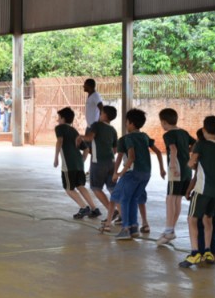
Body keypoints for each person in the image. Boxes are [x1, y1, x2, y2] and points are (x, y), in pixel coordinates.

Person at [179, 116, 215, 268]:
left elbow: (191, 163)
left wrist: (194, 165)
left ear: (204, 130)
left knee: (192, 219)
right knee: (208, 220)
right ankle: (207, 250)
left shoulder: (201, 144)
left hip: (201, 190)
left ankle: (195, 253)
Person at [111, 109, 156, 240]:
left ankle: (125, 229)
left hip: (133, 173)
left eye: (126, 122)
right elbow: (158, 152)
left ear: (130, 123)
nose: (125, 124)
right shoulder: (145, 136)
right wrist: (162, 169)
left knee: (124, 199)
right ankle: (134, 228)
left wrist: (119, 173)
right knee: (134, 199)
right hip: (146, 174)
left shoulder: (128, 138)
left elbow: (131, 157)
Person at [156, 108, 196, 246]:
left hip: (177, 169)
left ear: (164, 122)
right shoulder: (184, 132)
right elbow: (196, 144)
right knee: (177, 199)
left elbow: (173, 149)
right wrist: (187, 151)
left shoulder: (168, 135)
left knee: (170, 199)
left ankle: (169, 229)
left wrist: (172, 165)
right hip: (187, 169)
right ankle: (170, 229)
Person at [53, 107, 99, 219]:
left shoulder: (60, 128)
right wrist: (81, 161)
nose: (57, 120)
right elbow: (86, 149)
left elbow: (60, 141)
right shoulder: (74, 131)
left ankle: (84, 208)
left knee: (69, 188)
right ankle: (94, 209)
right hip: (78, 164)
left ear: (63, 119)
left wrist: (56, 158)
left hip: (69, 165)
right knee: (80, 186)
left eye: (59, 118)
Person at [79, 105, 118, 228]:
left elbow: (90, 138)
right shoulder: (113, 130)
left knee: (96, 188)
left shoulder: (97, 125)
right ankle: (123, 215)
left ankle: (112, 211)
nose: (99, 115)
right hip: (111, 162)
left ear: (104, 115)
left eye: (101, 113)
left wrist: (80, 137)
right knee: (113, 190)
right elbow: (115, 149)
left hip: (98, 162)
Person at [82, 78, 104, 163]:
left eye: (85, 84)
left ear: (89, 86)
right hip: (89, 126)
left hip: (93, 127)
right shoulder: (90, 95)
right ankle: (86, 167)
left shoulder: (95, 96)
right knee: (89, 149)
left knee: (89, 148)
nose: (83, 86)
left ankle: (82, 167)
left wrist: (99, 122)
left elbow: (101, 108)